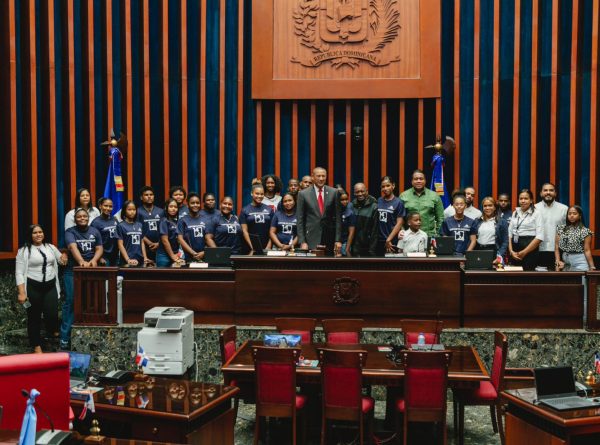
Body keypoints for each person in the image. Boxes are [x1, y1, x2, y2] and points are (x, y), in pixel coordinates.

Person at [16, 224, 67, 353]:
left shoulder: (50, 247)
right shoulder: (24, 251)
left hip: (50, 285)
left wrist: (64, 257)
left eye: (40, 232)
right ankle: (36, 345)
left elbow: (61, 261)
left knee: (52, 314)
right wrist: (21, 292)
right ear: (30, 235)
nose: (39, 235)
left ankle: (52, 330)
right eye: (35, 233)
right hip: (33, 286)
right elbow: (19, 273)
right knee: (34, 317)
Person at [62, 208, 103, 349]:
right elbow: (73, 248)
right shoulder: (70, 232)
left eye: (85, 216)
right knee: (71, 301)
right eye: (79, 216)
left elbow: (99, 248)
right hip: (73, 271)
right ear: (75, 219)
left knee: (91, 302)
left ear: (88, 217)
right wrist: (81, 261)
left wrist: (94, 260)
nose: (82, 218)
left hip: (91, 271)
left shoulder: (94, 231)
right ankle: (65, 338)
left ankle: (85, 338)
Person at [296, 167, 342, 255]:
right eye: (318, 176)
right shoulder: (303, 194)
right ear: (313, 177)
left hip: (330, 239)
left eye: (323, 176)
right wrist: (302, 241)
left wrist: (338, 240)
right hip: (310, 238)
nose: (321, 179)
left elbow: (338, 219)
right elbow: (300, 220)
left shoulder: (334, 192)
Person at [400, 169, 445, 237]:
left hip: (429, 236)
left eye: (421, 179)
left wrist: (437, 234)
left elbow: (440, 218)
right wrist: (403, 232)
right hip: (409, 237)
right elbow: (400, 218)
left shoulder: (434, 196)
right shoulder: (403, 196)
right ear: (412, 181)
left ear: (425, 181)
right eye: (416, 179)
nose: (418, 181)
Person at [508, 189, 544, 271]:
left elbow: (540, 237)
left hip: (529, 249)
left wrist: (524, 252)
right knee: (514, 278)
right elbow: (510, 234)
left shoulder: (537, 213)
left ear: (531, 200)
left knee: (528, 278)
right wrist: (511, 251)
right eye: (521, 199)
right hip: (515, 250)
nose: (523, 201)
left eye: (526, 199)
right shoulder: (515, 212)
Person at [535, 183, 568, 270]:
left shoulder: (564, 209)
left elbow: (568, 231)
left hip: (559, 251)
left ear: (555, 193)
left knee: (558, 282)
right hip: (538, 251)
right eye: (545, 190)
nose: (548, 192)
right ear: (541, 193)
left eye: (551, 190)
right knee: (538, 281)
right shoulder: (534, 209)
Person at [555, 205, 596, 271]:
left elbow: (587, 250)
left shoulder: (585, 231)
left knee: (581, 281)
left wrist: (592, 267)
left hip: (580, 261)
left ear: (580, 216)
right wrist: (557, 262)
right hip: (565, 262)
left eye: (574, 213)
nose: (571, 216)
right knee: (567, 281)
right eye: (569, 214)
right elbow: (556, 247)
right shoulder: (561, 229)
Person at [178, 193, 215, 262]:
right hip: (188, 257)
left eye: (197, 203)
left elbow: (209, 239)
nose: (195, 205)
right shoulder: (182, 220)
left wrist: (204, 252)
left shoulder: (206, 220)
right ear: (188, 204)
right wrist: (193, 253)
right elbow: (180, 239)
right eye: (192, 203)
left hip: (204, 257)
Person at [240, 184, 274, 253]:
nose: (259, 196)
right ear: (252, 193)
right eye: (257, 193)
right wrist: (253, 247)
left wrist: (269, 246)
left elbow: (273, 231)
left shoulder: (269, 209)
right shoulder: (245, 210)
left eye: (262, 194)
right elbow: (244, 231)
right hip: (249, 248)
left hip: (267, 247)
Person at [473, 196, 509, 261]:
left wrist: (499, 256)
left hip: (494, 251)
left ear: (495, 207)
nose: (487, 208)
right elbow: (472, 239)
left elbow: (505, 242)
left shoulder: (502, 222)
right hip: (478, 251)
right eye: (485, 206)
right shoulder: (477, 221)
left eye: (490, 205)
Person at [376, 176, 405, 255]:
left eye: (388, 185)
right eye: (383, 186)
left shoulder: (399, 202)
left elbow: (399, 223)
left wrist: (389, 239)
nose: (385, 188)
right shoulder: (379, 201)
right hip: (379, 240)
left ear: (393, 186)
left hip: (392, 241)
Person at [117, 200, 149, 266]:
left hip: (140, 259)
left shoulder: (139, 225)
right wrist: (128, 259)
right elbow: (120, 244)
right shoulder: (120, 225)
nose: (132, 212)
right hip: (127, 260)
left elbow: (142, 242)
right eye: (129, 209)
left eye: (134, 209)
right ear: (124, 211)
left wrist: (145, 257)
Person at [350, 182, 378, 257]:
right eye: (357, 192)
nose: (360, 194)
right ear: (354, 193)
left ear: (367, 191)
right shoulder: (352, 206)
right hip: (354, 247)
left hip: (368, 247)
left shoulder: (374, 207)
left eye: (362, 191)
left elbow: (375, 231)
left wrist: (372, 249)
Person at [137, 186, 164, 262]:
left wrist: (158, 243)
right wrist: (149, 243)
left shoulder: (161, 211)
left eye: (151, 195)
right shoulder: (138, 212)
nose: (149, 197)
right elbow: (136, 230)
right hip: (143, 247)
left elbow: (164, 230)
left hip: (160, 246)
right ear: (141, 197)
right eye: (146, 195)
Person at [91, 197, 119, 266]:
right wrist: (99, 257)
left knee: (116, 276)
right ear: (100, 206)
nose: (108, 208)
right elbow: (93, 241)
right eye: (105, 206)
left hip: (115, 254)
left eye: (110, 206)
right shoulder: (95, 222)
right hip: (103, 256)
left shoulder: (114, 220)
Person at [156, 198, 183, 267]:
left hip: (176, 254)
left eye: (175, 207)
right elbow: (165, 240)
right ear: (166, 208)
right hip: (164, 256)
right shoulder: (164, 221)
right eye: (171, 207)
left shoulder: (177, 222)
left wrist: (178, 254)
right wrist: (172, 256)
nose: (173, 209)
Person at [339, 189, 356, 257]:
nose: (345, 202)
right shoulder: (335, 212)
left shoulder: (350, 213)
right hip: (335, 243)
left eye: (346, 199)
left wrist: (347, 248)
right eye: (342, 200)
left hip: (344, 244)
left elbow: (351, 233)